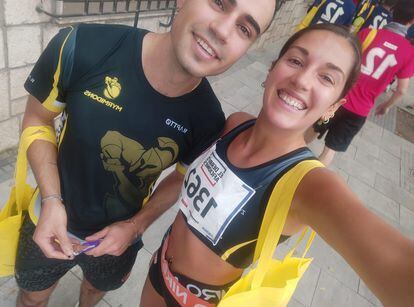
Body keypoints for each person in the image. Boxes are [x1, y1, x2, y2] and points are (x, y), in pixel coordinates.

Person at [15, 0, 278, 306]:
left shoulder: (208, 121)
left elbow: (182, 178)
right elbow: (38, 118)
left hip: (118, 240)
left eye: (244, 29)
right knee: (32, 298)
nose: (222, 30)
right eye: (218, 2)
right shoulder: (81, 45)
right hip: (46, 215)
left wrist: (135, 226)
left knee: (94, 293)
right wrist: (50, 199)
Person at [140, 23, 414, 307]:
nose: (302, 80)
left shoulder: (308, 185)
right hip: (159, 265)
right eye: (295, 60)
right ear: (272, 68)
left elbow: (397, 263)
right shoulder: (235, 123)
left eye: (327, 78)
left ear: (334, 106)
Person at [307, 0, 414, 166]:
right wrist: (385, 106)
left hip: (337, 99)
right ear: (412, 21)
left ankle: (283, 161)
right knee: (330, 150)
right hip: (359, 111)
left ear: (393, 12)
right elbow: (401, 91)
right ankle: (304, 179)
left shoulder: (368, 33)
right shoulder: (409, 52)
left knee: (312, 131)